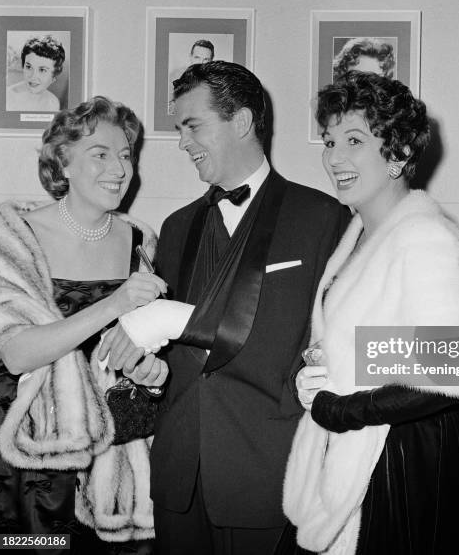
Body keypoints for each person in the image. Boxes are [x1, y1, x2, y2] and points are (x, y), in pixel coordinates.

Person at [280, 72, 459, 554]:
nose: (334, 157)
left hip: (412, 464)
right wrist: (321, 367)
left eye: (355, 141)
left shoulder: (429, 239)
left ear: (399, 154)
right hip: (359, 451)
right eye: (330, 141)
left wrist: (342, 407)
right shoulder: (358, 237)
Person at [99, 61, 350, 555]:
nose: (183, 141)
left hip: (266, 474)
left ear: (240, 122)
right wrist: (151, 375)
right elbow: (175, 359)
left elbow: (313, 346)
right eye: (180, 129)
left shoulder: (322, 218)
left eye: (193, 125)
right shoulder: (174, 227)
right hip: (177, 481)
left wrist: (167, 320)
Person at [0, 96, 168, 554]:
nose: (120, 168)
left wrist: (151, 372)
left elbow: (139, 348)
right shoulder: (15, 235)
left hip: (117, 461)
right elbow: (15, 353)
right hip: (29, 460)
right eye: (100, 154)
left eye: (126, 155)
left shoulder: (142, 242)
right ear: (63, 162)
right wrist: (115, 302)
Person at [6, 35, 65, 112]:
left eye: (42, 70)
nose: (33, 76)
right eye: (29, 67)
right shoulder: (8, 97)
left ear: (53, 77)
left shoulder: (53, 102)